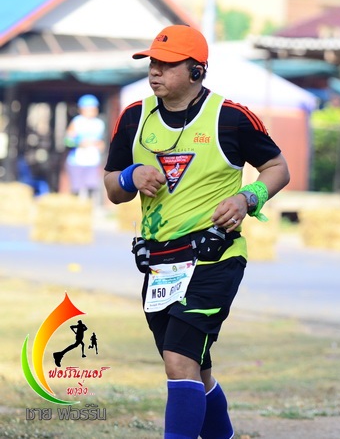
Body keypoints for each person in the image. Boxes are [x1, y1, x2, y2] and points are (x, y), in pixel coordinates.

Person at [104, 24, 290, 439]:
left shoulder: (232, 118)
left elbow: (278, 168)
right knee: (194, 369)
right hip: (159, 266)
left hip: (214, 258)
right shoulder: (133, 117)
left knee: (178, 359)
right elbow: (113, 188)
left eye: (166, 64)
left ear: (196, 71)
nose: (155, 71)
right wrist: (132, 176)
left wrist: (247, 198)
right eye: (152, 63)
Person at [64, 94, 106, 198]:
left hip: (93, 161)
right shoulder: (77, 122)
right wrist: (79, 143)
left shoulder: (99, 123)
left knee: (92, 187)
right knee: (76, 189)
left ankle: (89, 206)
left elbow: (101, 141)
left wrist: (101, 145)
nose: (92, 111)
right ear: (81, 109)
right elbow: (67, 141)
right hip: (77, 161)